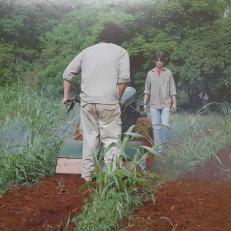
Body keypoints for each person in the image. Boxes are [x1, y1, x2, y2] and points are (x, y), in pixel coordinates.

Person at [62, 24, 130, 181]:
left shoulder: (87, 51)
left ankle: (87, 176)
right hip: (108, 102)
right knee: (111, 139)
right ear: (117, 38)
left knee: (90, 139)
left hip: (87, 103)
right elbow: (124, 79)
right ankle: (111, 177)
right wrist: (117, 99)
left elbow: (67, 74)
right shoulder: (121, 52)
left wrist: (66, 95)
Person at [143, 51, 177, 153]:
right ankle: (159, 150)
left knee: (165, 126)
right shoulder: (150, 73)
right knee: (156, 128)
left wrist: (174, 103)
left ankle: (164, 146)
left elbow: (172, 89)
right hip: (153, 104)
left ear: (163, 61)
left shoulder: (168, 73)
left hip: (166, 103)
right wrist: (144, 103)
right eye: (157, 60)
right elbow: (146, 90)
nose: (159, 62)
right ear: (154, 61)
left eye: (161, 60)